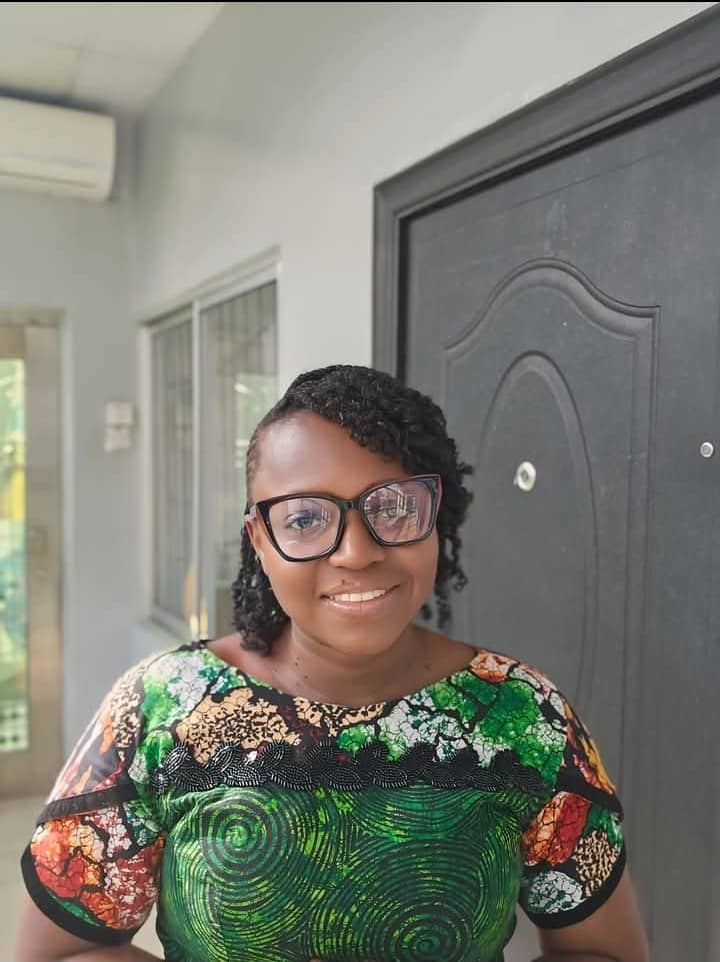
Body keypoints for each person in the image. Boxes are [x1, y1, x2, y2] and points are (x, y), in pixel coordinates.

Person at [15, 365, 649, 962]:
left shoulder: (523, 714)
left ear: (437, 517)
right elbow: (61, 951)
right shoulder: (162, 708)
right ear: (260, 540)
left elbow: (605, 952)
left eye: (392, 507)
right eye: (305, 518)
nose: (355, 553)